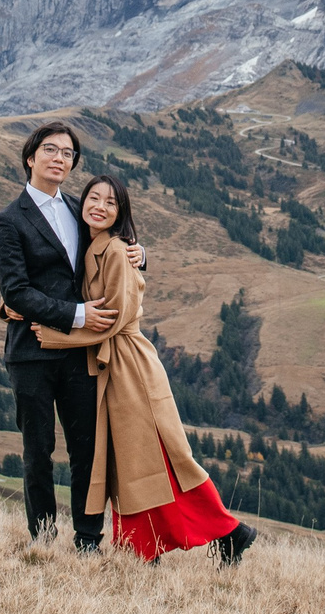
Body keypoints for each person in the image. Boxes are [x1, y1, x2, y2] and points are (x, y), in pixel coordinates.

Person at [23, 174, 258, 565]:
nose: (99, 206)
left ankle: (229, 531)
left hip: (129, 366)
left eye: (110, 203)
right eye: (93, 199)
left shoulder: (113, 250)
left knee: (159, 459)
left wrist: (53, 335)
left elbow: (112, 319)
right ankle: (151, 545)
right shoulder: (93, 244)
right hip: (111, 367)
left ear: (121, 213)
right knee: (135, 462)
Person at [0, 120, 138, 551]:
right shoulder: (7, 222)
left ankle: (88, 539)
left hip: (79, 354)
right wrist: (77, 315)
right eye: (51, 150)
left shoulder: (80, 208)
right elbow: (15, 291)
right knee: (38, 451)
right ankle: (43, 537)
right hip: (32, 353)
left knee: (86, 450)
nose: (59, 158)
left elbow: (114, 245)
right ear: (31, 157)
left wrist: (140, 253)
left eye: (68, 153)